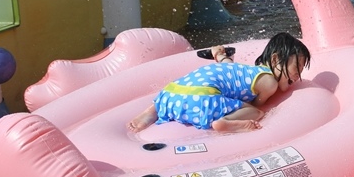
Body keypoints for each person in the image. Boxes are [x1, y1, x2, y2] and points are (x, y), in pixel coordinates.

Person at [127, 33, 311, 133]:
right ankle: (227, 123)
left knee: (182, 88)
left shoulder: (243, 71)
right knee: (257, 112)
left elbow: (227, 65)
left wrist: (219, 54)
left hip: (172, 94)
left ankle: (151, 112)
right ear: (276, 59)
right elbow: (255, 104)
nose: (299, 75)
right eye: (298, 67)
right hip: (202, 99)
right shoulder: (269, 82)